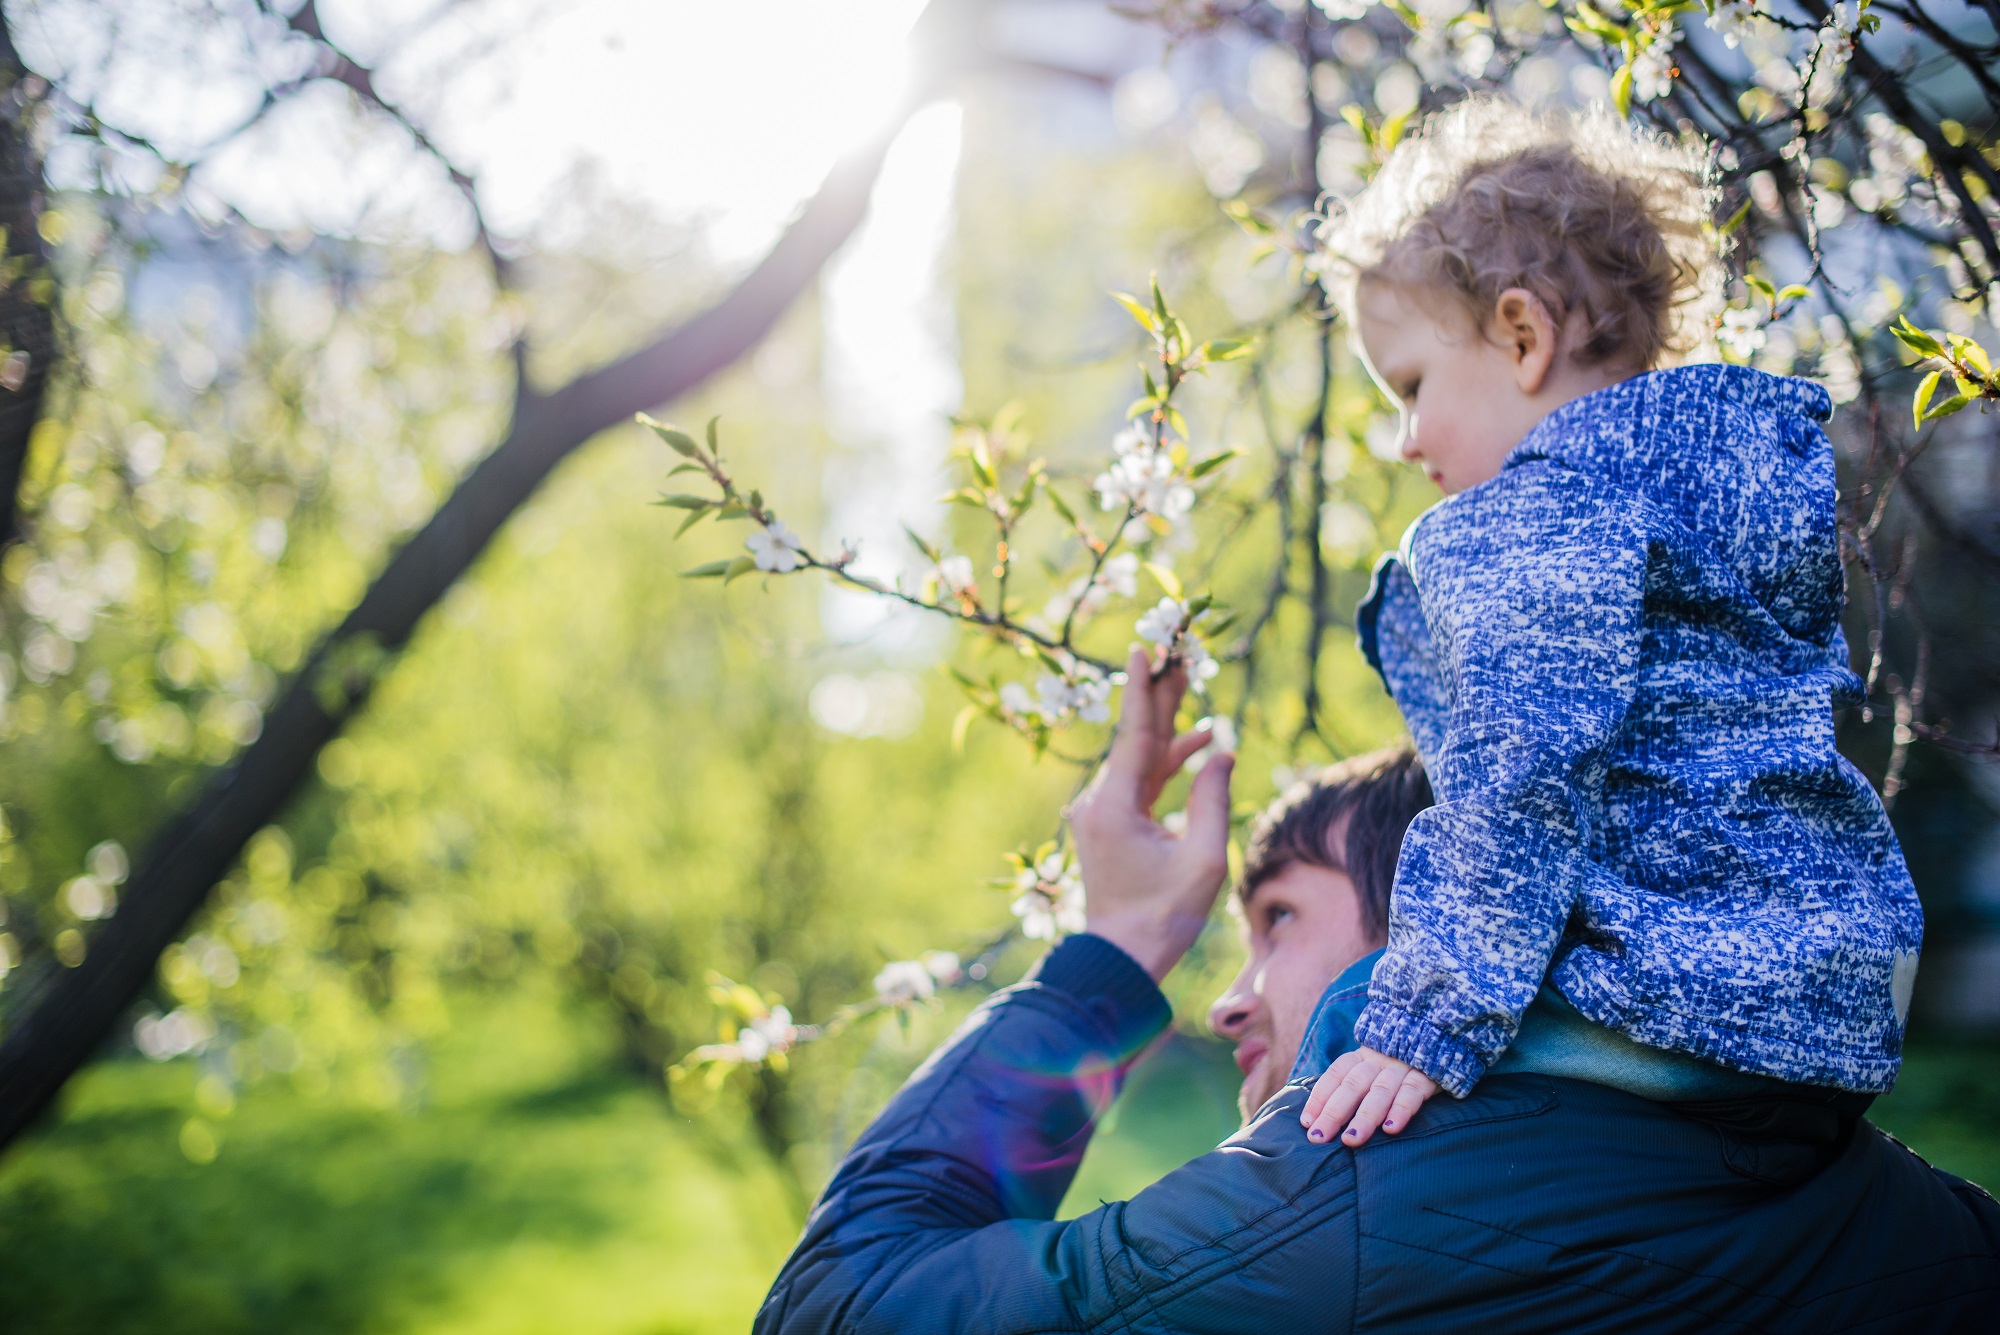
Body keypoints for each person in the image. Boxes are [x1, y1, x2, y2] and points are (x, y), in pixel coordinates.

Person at [754, 655, 2000, 1333]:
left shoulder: (1342, 1208)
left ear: (1444, 928)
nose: (1226, 1004)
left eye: (1278, 918)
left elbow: (833, 1309)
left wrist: (1116, 951)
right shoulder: (1909, 1207)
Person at [1298, 98, 1923, 1150]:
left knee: (1342, 1021)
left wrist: (1420, 1024)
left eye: (1408, 387)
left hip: (1672, 1003)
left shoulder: (1540, 514)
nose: (1405, 441)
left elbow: (1520, 768)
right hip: (1823, 1014)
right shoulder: (1709, 503)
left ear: (1520, 334)